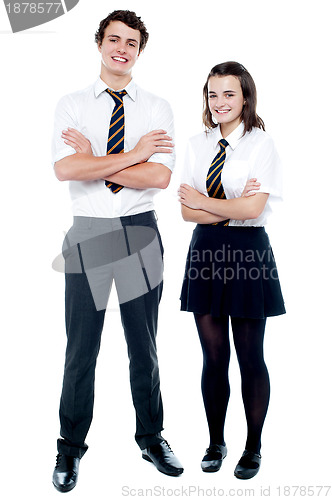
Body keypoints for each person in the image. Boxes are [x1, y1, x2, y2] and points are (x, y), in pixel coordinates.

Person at [51, 10, 183, 493]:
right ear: (100, 44)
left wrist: (96, 160)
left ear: (140, 51)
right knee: (80, 350)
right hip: (88, 232)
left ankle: (151, 437)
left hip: (139, 232)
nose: (122, 48)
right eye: (114, 39)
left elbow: (161, 178)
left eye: (131, 42)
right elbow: (66, 170)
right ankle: (69, 447)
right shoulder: (71, 104)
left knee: (143, 346)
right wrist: (134, 154)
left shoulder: (157, 108)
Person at [178, 61, 285, 480]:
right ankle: (215, 441)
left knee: (249, 354)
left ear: (245, 97)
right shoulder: (196, 144)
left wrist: (207, 203)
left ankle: (253, 447)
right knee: (213, 356)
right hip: (205, 252)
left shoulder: (261, 144)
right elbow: (186, 212)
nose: (219, 102)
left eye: (228, 94)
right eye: (212, 94)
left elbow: (254, 209)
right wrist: (222, 208)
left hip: (247, 253)